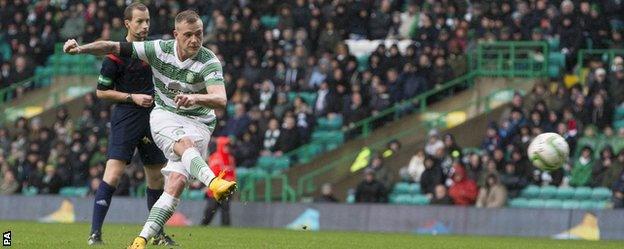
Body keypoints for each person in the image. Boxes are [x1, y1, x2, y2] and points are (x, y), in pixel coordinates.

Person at [64, 10, 237, 249]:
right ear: (176, 34)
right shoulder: (145, 52)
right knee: (119, 171)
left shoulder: (197, 58)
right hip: (148, 116)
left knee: (167, 181)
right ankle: (95, 233)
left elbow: (220, 99)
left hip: (184, 119)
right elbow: (108, 66)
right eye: (188, 35)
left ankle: (145, 237)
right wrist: (80, 49)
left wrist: (194, 98)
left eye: (199, 34)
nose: (194, 40)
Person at [85, 3, 174, 246]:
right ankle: (95, 234)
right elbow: (102, 92)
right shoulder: (114, 57)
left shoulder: (153, 50)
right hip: (126, 116)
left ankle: (157, 233)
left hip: (154, 117)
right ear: (127, 24)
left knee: (157, 179)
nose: (145, 26)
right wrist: (131, 97)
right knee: (112, 175)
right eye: (139, 22)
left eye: (147, 21)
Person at [201, 137, 236, 226]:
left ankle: (226, 231)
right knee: (209, 212)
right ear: (220, 146)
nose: (227, 148)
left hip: (225, 191)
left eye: (228, 146)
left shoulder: (231, 159)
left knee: (225, 211)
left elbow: (232, 174)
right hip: (214, 191)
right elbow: (213, 174)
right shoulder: (215, 157)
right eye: (225, 146)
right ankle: (202, 227)